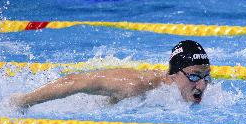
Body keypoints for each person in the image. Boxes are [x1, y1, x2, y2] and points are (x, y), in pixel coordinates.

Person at [11, 40, 211, 108]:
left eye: (206, 77)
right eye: (194, 76)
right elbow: (74, 82)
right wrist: (22, 102)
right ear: (172, 75)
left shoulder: (199, 91)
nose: (201, 85)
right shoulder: (133, 85)